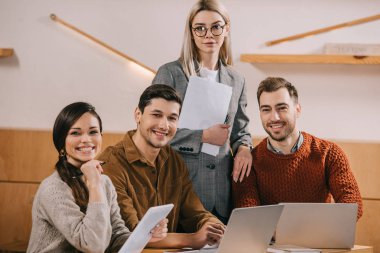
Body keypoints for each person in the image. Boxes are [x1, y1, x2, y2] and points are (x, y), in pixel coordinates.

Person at [152, 0, 252, 223]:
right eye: (200, 28)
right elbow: (152, 131)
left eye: (216, 26)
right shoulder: (170, 74)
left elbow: (241, 131)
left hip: (221, 193)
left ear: (227, 29)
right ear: (191, 32)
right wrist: (203, 136)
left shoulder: (237, 79)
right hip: (181, 190)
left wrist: (244, 148)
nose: (209, 34)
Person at [27, 102, 168, 253]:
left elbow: (115, 235)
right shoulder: (53, 189)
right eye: (76, 133)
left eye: (93, 132)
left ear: (101, 136)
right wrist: (94, 184)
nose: (86, 139)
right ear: (62, 141)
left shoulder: (104, 182)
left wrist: (144, 236)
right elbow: (93, 245)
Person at [98, 84, 225, 249]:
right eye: (156, 115)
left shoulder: (173, 160)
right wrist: (193, 239)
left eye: (172, 118)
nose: (164, 125)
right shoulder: (110, 164)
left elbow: (195, 213)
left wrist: (215, 227)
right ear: (138, 115)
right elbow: (133, 234)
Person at [232, 77, 363, 219]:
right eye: (266, 110)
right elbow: (248, 216)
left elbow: (352, 204)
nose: (274, 117)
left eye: (282, 108)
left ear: (297, 110)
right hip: (270, 241)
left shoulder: (329, 153)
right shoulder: (248, 164)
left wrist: (321, 229)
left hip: (320, 239)